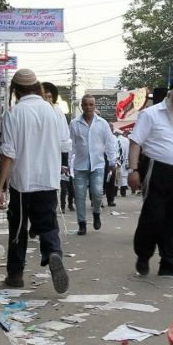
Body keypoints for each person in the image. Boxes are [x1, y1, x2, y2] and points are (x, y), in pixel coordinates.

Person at [0, 68, 69, 294]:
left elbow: (8, 153)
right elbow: (65, 145)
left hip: (21, 182)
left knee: (18, 229)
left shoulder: (13, 113)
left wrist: (0, 187)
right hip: (48, 180)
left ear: (15, 90)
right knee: (47, 224)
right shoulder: (54, 112)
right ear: (38, 87)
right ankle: (53, 252)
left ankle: (15, 275)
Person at [127, 80, 173, 277]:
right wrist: (133, 170)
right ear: (169, 98)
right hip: (157, 171)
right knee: (153, 217)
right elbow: (135, 142)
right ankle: (143, 256)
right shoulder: (150, 115)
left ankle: (169, 263)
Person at [69, 94, 118, 235]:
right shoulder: (74, 124)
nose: (88, 107)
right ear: (82, 106)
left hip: (98, 164)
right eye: (86, 104)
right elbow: (70, 145)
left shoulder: (102, 124)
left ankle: (96, 213)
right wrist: (66, 164)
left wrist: (112, 161)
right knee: (79, 195)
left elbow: (109, 143)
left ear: (95, 106)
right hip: (80, 165)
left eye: (91, 104)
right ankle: (82, 223)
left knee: (97, 192)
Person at [41, 82, 74, 214]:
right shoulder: (32, 111)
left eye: (49, 97)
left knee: (51, 191)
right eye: (44, 96)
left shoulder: (57, 112)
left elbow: (64, 140)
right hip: (34, 159)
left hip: (52, 159)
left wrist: (63, 163)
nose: (47, 100)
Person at [115, 129, 130, 197]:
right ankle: (123, 193)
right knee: (124, 177)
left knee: (116, 176)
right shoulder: (126, 140)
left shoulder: (115, 140)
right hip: (125, 160)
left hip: (117, 160)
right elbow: (128, 151)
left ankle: (114, 193)